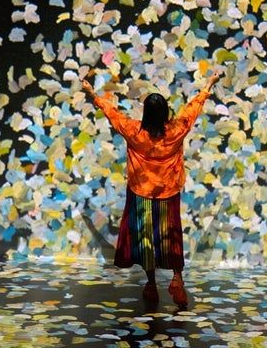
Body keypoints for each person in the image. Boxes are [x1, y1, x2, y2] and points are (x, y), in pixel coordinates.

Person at [80, 67, 221, 306]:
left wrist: (92, 94)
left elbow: (112, 113)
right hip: (168, 195)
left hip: (141, 195)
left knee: (145, 239)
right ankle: (177, 278)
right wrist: (209, 84)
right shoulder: (176, 131)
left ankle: (152, 284)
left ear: (145, 113)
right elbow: (192, 109)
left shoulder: (134, 131)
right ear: (165, 112)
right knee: (171, 237)